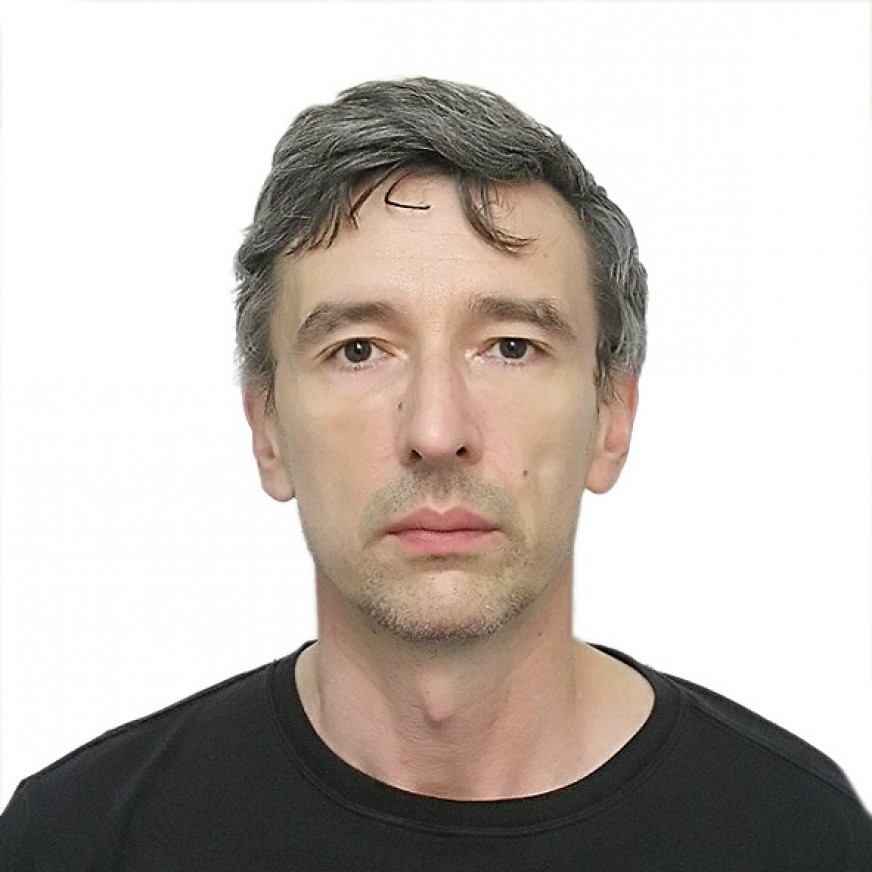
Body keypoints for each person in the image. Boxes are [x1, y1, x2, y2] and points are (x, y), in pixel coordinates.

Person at [1, 76, 870, 870]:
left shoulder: (798, 838)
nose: (436, 431)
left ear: (613, 417)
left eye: (511, 347)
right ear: (267, 429)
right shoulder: (76, 841)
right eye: (359, 350)